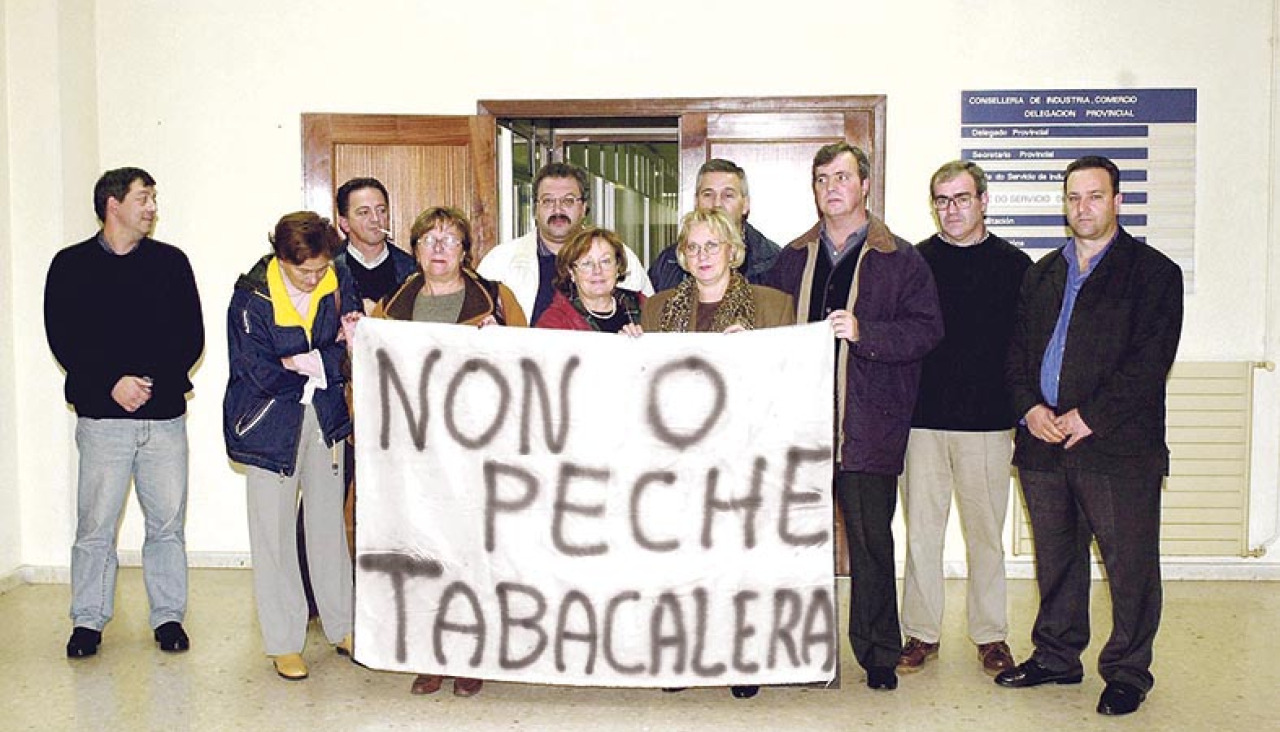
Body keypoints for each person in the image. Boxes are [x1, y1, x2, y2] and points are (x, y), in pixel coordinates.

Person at [996, 156, 1183, 717]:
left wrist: (1088, 415)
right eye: (1074, 197)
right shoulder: (1043, 272)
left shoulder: (1153, 273)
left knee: (1129, 565)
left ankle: (1128, 670)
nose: (1083, 207)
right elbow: (1016, 353)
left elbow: (1150, 362)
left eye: (1095, 196)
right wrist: (1029, 407)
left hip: (1116, 446)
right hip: (1042, 441)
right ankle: (1056, 654)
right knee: (1056, 558)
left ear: (1118, 202)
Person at [764, 142, 942, 691]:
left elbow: (926, 330)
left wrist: (866, 335)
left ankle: (878, 654)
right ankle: (793, 651)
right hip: (800, 427)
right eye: (822, 179)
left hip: (869, 426)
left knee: (869, 542)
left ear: (865, 185)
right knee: (792, 544)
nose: (831, 187)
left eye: (842, 176)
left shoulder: (900, 257)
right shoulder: (793, 257)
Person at [44, 166, 204, 659]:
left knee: (166, 526)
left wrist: (146, 387)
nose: (152, 208)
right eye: (144, 198)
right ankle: (88, 622)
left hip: (163, 421)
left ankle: (168, 618)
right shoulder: (70, 265)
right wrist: (111, 384)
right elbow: (64, 337)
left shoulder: (172, 263)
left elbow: (190, 336)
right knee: (94, 528)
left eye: (154, 198)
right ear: (113, 205)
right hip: (101, 421)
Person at [375, 205, 527, 697]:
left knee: (473, 554)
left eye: (450, 240)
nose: (438, 249)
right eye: (428, 240)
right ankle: (430, 652)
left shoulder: (496, 300)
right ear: (415, 250)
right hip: (416, 452)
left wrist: (500, 346)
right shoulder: (393, 306)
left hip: (478, 448)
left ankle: (473, 651)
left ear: (466, 251)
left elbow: (531, 367)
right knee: (424, 553)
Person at [643, 208, 793, 699]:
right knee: (679, 560)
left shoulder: (773, 307)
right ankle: (681, 653)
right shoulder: (655, 310)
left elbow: (791, 381)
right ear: (682, 256)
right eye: (693, 247)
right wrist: (628, 349)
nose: (703, 255)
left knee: (737, 560)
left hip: (741, 455)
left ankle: (742, 656)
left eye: (714, 245)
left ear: (734, 250)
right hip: (676, 458)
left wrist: (760, 351)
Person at [897, 161, 1031, 676]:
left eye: (961, 198)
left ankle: (991, 636)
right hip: (923, 421)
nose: (951, 209)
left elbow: (1026, 347)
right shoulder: (913, 262)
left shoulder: (1016, 267)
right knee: (922, 534)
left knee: (985, 537)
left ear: (983, 201)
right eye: (942, 200)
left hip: (989, 423)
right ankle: (921, 633)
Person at [223, 211, 358, 681]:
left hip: (324, 418)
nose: (316, 277)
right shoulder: (251, 297)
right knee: (274, 535)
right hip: (267, 425)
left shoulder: (337, 278)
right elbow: (254, 369)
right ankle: (283, 642)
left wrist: (311, 360)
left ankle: (344, 625)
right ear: (281, 258)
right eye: (305, 271)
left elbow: (349, 346)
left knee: (327, 528)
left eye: (321, 268)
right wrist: (319, 361)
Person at [478, 161, 651, 324]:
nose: (558, 209)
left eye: (568, 201)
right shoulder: (500, 261)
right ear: (535, 209)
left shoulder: (618, 257)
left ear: (584, 207)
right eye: (548, 201)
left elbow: (651, 322)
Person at [648, 158, 780, 292]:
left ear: (745, 204)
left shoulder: (774, 262)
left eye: (728, 195)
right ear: (696, 202)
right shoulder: (669, 263)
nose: (717, 203)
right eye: (708, 195)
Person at [534, 226, 644, 335]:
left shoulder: (645, 307)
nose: (597, 270)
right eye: (587, 263)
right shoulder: (553, 323)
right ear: (572, 272)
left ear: (618, 266)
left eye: (605, 261)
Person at [333, 177, 417, 314]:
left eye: (381, 210)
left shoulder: (412, 270)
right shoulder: (328, 270)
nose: (376, 219)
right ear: (345, 223)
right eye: (364, 212)